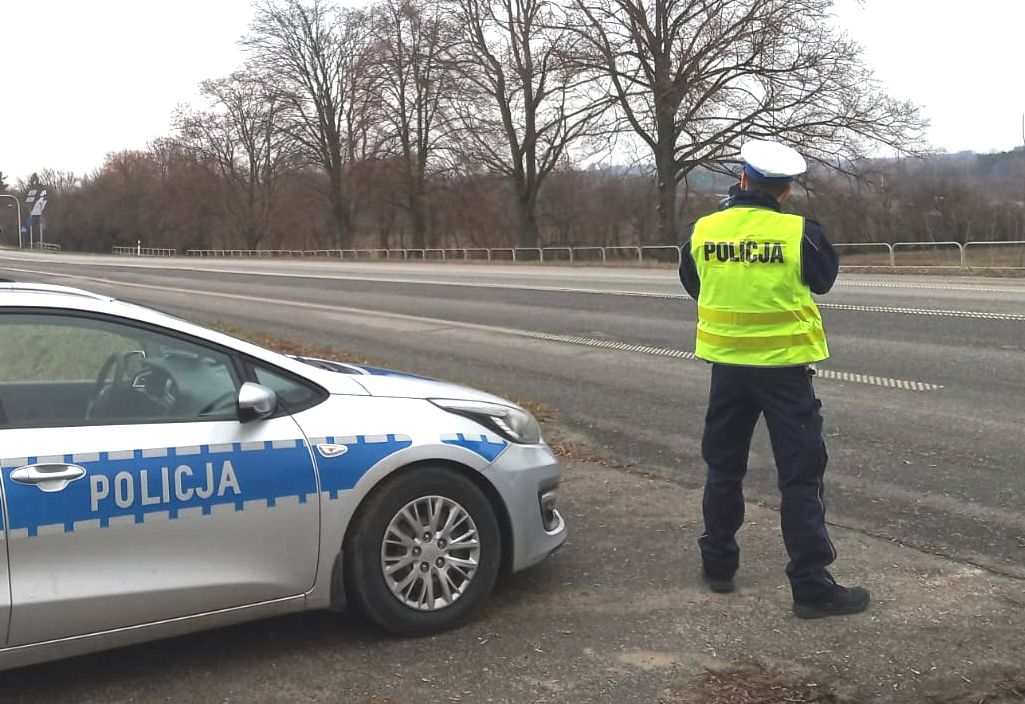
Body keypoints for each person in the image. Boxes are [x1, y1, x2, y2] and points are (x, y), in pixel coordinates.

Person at [679, 140, 870, 619]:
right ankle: (811, 586)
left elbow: (693, 283)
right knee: (800, 479)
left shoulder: (703, 230)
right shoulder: (800, 232)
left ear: (742, 178)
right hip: (784, 373)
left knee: (723, 469)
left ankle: (718, 564)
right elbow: (823, 279)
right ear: (786, 189)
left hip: (727, 371)